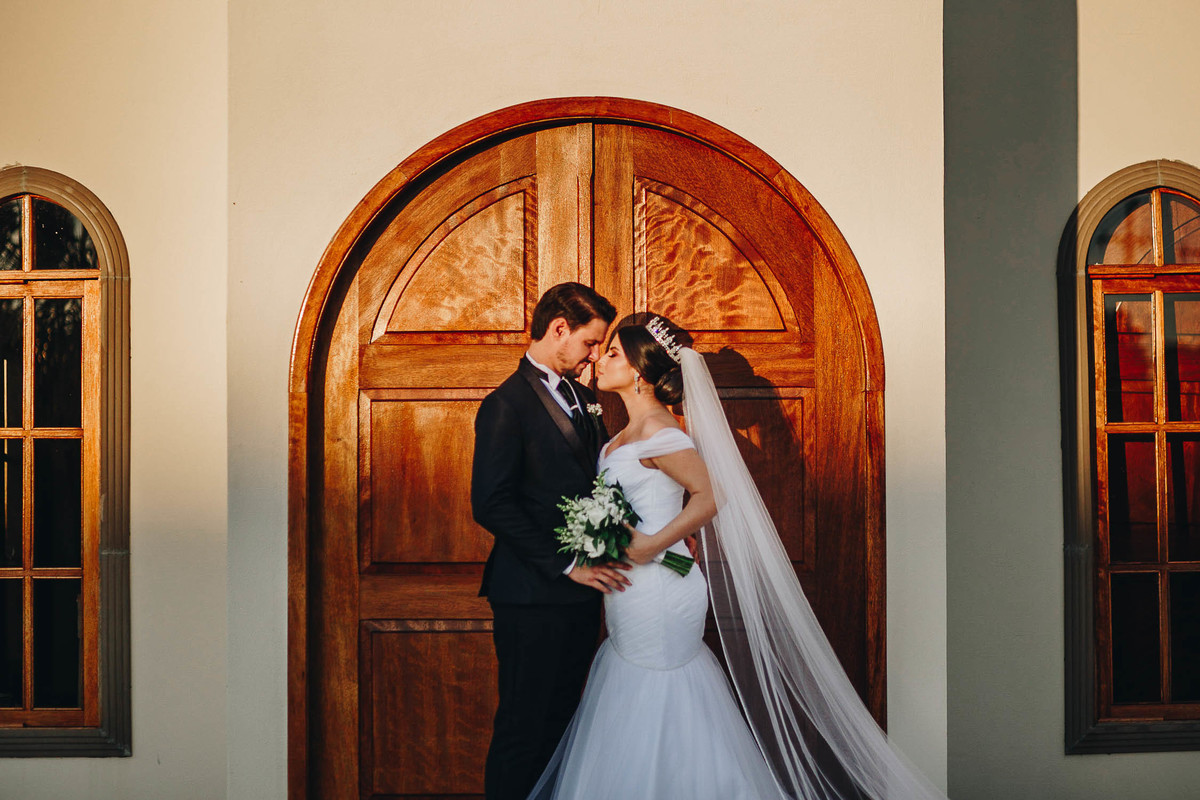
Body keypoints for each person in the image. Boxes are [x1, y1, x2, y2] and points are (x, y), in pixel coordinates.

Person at [527, 314, 951, 800]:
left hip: (660, 592)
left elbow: (711, 495)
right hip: (638, 588)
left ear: (641, 371)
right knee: (632, 683)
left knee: (656, 689)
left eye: (615, 354)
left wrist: (653, 543)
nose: (601, 358)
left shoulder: (662, 433)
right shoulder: (624, 433)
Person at [470, 282, 630, 800]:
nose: (592, 357)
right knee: (523, 727)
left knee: (564, 725)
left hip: (584, 597)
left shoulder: (587, 400)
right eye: (589, 343)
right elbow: (491, 504)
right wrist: (568, 565)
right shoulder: (505, 405)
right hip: (530, 595)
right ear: (559, 329)